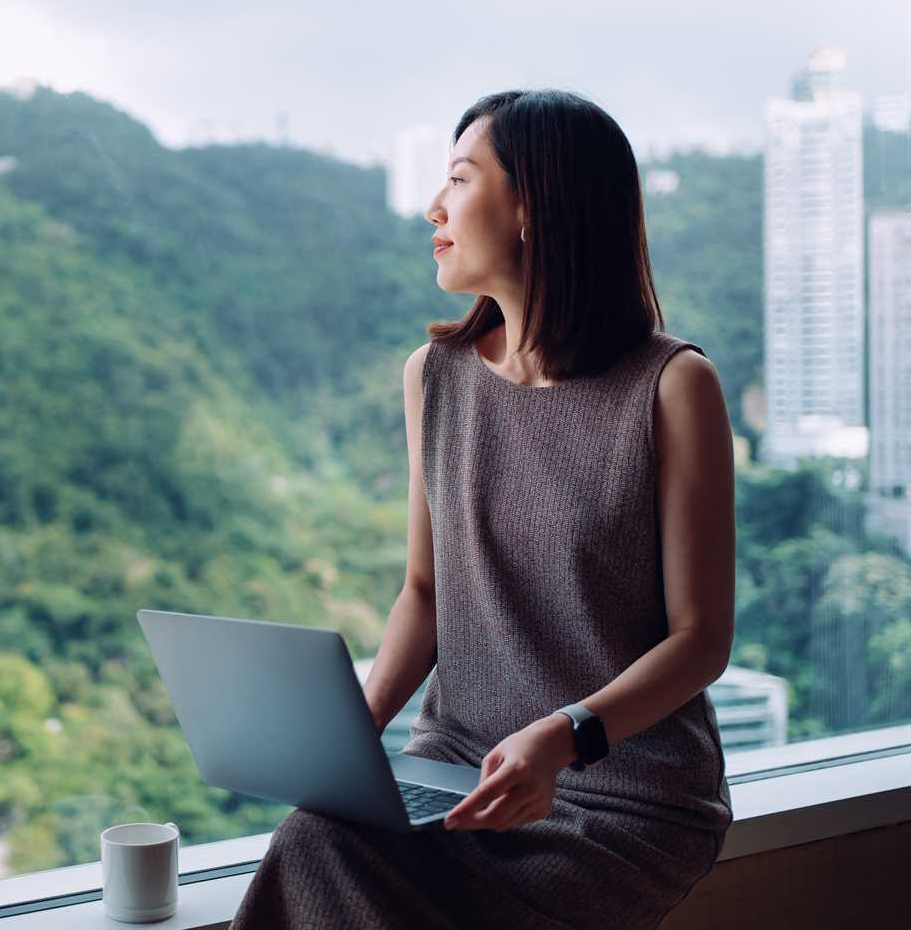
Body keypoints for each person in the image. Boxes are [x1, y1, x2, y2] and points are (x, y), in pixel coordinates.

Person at [228, 88, 735, 929]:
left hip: (617, 795)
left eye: (460, 179)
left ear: (532, 205)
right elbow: (425, 594)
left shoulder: (674, 386)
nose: (434, 206)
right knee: (316, 840)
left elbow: (700, 641)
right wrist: (348, 737)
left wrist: (561, 736)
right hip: (457, 764)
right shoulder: (433, 377)